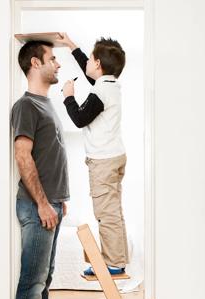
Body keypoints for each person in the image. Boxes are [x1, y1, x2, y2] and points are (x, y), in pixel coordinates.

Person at [56, 33, 128, 276]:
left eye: (90, 59)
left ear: (98, 64)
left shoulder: (101, 93)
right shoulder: (110, 84)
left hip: (104, 162)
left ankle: (114, 263)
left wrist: (68, 96)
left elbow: (79, 119)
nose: (86, 62)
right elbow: (89, 73)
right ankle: (117, 258)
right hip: (115, 156)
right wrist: (71, 46)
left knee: (105, 213)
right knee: (113, 211)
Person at [10, 40, 69, 299]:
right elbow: (23, 156)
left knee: (44, 281)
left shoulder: (46, 104)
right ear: (36, 63)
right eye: (52, 58)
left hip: (51, 205)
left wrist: (59, 198)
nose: (58, 64)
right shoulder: (26, 105)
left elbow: (50, 154)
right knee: (33, 284)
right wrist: (43, 204)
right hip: (37, 208)